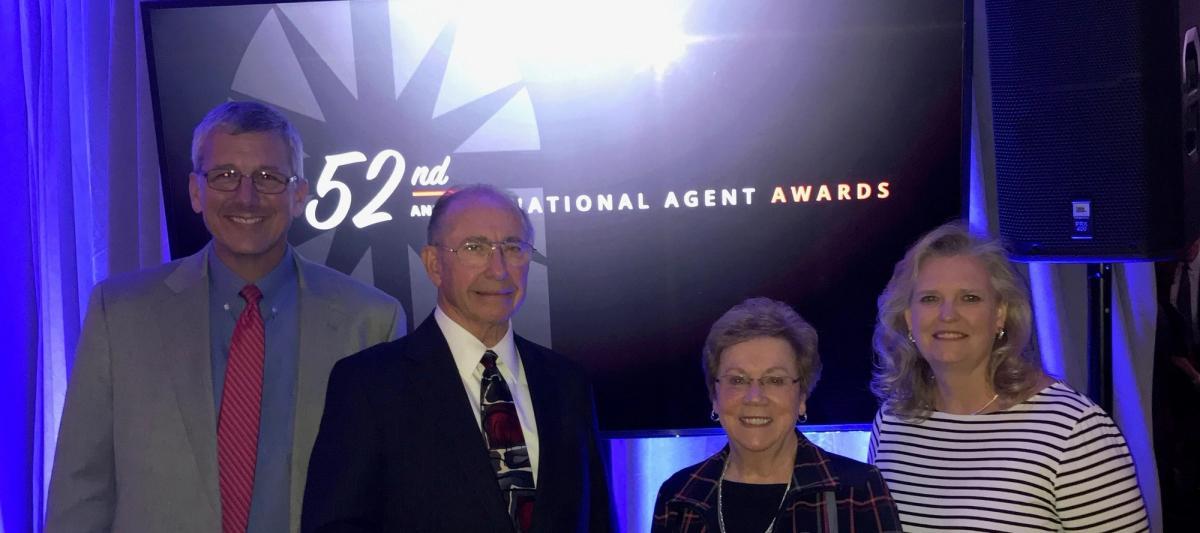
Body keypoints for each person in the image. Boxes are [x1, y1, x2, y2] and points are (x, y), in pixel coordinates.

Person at [45, 101, 406, 533]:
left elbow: (391, 499)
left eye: (268, 178)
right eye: (224, 176)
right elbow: (81, 490)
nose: (246, 196)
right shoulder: (120, 314)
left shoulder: (369, 322)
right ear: (196, 192)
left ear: (299, 195)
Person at [301, 184, 612, 533]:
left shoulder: (567, 383)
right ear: (434, 264)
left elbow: (598, 519)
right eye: (474, 248)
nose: (498, 269)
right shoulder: (369, 385)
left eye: (513, 247)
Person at [868, 221, 1149, 531]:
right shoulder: (892, 421)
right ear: (909, 318)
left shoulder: (1072, 429)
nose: (948, 314)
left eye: (970, 298)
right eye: (930, 299)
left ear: (1000, 314)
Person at [653, 297, 901, 533]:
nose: (754, 397)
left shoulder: (857, 491)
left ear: (802, 396)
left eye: (774, 380)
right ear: (714, 397)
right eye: (737, 380)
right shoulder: (679, 496)